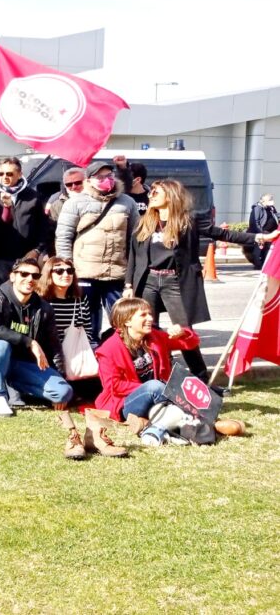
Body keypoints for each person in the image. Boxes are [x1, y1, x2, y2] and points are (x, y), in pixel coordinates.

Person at [124, 180, 279, 378]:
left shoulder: (188, 220)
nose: (150, 195)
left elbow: (222, 233)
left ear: (170, 195)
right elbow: (133, 255)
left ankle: (201, 378)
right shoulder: (144, 220)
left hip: (175, 282)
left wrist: (260, 238)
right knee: (148, 331)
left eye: (155, 192)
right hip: (148, 281)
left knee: (184, 331)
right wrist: (128, 284)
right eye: (151, 192)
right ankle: (161, 375)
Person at [0, 258, 91, 459]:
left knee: (63, 392)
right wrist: (29, 342)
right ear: (13, 276)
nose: (29, 279)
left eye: (35, 275)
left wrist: (60, 378)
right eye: (24, 274)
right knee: (0, 344)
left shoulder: (43, 308)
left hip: (26, 366)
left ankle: (16, 386)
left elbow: (54, 345)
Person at [94, 297, 200, 447]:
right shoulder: (108, 350)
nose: (150, 318)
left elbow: (191, 343)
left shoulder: (155, 337)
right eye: (143, 315)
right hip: (125, 404)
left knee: (174, 389)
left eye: (150, 314)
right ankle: (192, 423)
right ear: (127, 321)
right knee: (154, 387)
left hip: (159, 395)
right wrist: (149, 388)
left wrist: (182, 333)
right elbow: (114, 386)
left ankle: (161, 429)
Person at [55, 160, 140, 338]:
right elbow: (63, 237)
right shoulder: (75, 202)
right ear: (89, 180)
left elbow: (136, 238)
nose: (105, 179)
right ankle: (92, 357)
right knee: (88, 322)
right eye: (99, 177)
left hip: (116, 272)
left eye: (109, 175)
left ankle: (120, 356)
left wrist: (132, 271)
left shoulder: (126, 202)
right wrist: (67, 268)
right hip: (84, 272)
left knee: (122, 320)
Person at [0, 157, 48, 284]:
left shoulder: (33, 197)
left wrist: (37, 251)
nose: (5, 177)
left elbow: (42, 228)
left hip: (26, 259)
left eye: (10, 174)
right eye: (1, 173)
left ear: (20, 174)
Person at [37, 256, 99, 397]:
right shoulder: (41, 300)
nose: (66, 275)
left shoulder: (80, 298)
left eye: (70, 271)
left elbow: (87, 329)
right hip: (49, 352)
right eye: (59, 271)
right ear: (49, 274)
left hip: (75, 352)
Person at [44, 167, 85, 242]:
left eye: (78, 182)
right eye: (69, 184)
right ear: (65, 186)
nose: (74, 187)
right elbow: (52, 233)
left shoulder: (99, 200)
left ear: (86, 182)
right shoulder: (56, 205)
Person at [248, 193, 280, 269]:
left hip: (272, 232)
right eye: (270, 200)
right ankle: (258, 265)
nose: (271, 201)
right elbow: (255, 222)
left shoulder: (271, 208)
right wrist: (261, 233)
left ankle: (266, 265)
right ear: (263, 200)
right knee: (259, 249)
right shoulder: (257, 208)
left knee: (268, 249)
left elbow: (276, 215)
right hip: (263, 231)